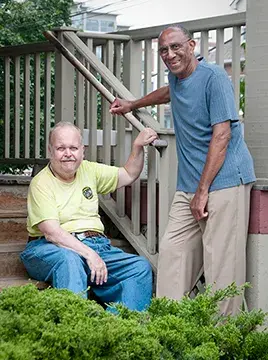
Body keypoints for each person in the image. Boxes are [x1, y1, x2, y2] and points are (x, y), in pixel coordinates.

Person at [110, 25, 256, 315]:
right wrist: (133, 104)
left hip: (226, 182)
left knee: (222, 269)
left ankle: (221, 342)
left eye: (176, 47)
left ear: (191, 46)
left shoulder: (214, 78)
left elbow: (222, 136)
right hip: (189, 185)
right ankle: (171, 328)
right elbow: (168, 93)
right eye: (164, 50)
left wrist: (202, 192)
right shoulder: (176, 77)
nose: (170, 54)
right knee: (173, 256)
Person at [21, 121, 158, 311]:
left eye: (73, 148)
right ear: (50, 151)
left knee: (139, 268)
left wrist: (137, 146)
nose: (68, 153)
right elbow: (52, 233)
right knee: (69, 259)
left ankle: (112, 328)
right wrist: (89, 254)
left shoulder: (89, 170)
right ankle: (76, 327)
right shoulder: (41, 183)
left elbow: (128, 174)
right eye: (61, 148)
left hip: (97, 246)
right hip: (49, 248)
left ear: (82, 151)